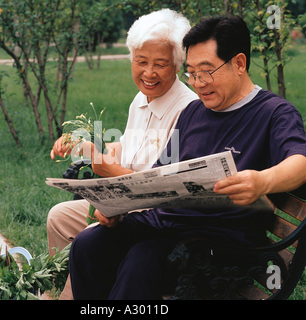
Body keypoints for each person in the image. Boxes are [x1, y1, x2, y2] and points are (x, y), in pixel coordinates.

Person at [69, 14, 306, 300]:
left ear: (240, 63)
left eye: (205, 71)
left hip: (219, 244)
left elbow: (300, 163)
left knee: (142, 260)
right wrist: (119, 205)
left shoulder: (274, 113)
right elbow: (158, 176)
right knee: (89, 244)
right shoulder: (194, 112)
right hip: (166, 226)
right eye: (191, 73)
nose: (197, 83)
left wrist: (262, 181)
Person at [47, 9, 197, 299]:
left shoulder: (186, 110)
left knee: (89, 237)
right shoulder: (142, 98)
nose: (148, 73)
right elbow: (126, 146)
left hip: (152, 217)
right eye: (141, 61)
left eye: (160, 64)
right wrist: (86, 141)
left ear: (177, 65)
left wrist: (100, 165)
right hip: (123, 203)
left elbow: (160, 187)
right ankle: (65, 292)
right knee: (59, 217)